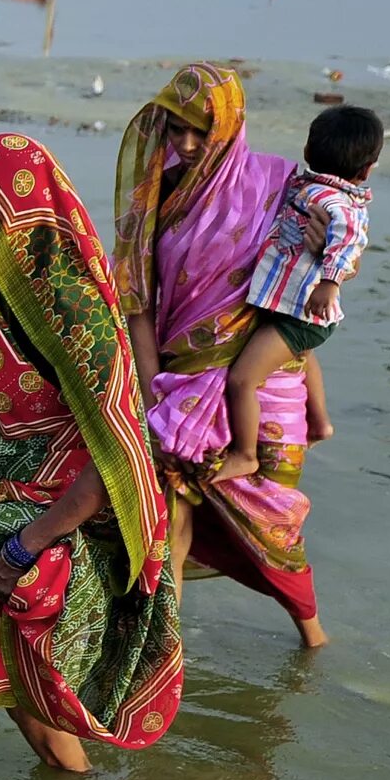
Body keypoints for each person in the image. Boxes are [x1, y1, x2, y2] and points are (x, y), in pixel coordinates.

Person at [0, 135, 180, 780]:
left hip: (61, 541)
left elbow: (116, 462)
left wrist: (24, 546)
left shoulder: (80, 316)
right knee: (33, 713)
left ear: (24, 223)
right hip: (3, 525)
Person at [110, 63, 330, 645]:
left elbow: (310, 287)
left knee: (273, 524)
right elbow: (136, 301)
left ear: (229, 127)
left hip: (264, 387)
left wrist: (321, 252)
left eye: (199, 132)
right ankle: (164, 653)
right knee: (169, 527)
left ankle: (314, 639)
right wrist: (154, 392)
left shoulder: (281, 186)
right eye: (174, 129)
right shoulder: (154, 194)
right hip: (177, 383)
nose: (184, 144)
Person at [219, 105, 381, 489]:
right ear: (367, 169)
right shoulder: (310, 188)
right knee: (305, 356)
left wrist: (331, 282)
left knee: (242, 379)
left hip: (299, 315)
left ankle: (244, 454)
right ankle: (321, 422)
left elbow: (349, 242)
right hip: (298, 312)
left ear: (307, 151)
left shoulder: (335, 203)